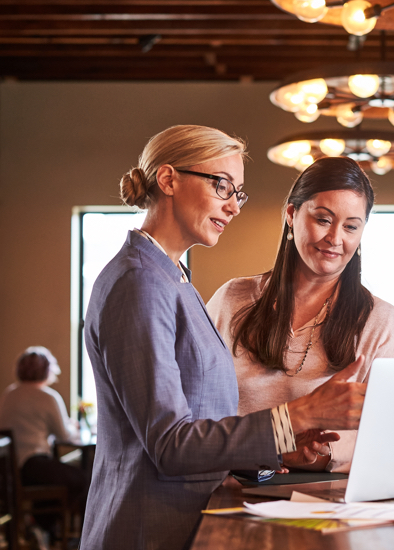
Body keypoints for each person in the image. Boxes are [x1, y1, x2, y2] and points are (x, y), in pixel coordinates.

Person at [81, 125, 367, 550]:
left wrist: (282, 447)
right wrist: (298, 415)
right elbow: (171, 445)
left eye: (239, 193)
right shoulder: (139, 283)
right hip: (148, 529)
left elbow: (201, 427)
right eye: (222, 187)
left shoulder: (173, 278)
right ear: (168, 179)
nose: (233, 207)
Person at [207, 156, 394, 473]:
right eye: (323, 219)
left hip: (335, 502)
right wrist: (278, 448)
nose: (335, 238)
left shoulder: (379, 320)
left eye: (351, 227)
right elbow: (198, 412)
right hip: (236, 489)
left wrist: (322, 450)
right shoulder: (231, 300)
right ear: (291, 214)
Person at [0, 347, 88, 537]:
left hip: (7, 470)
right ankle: (59, 532)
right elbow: (65, 436)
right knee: (83, 480)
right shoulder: (48, 397)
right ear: (48, 371)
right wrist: (74, 426)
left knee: (58, 475)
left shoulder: (8, 394)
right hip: (33, 465)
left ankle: (41, 527)